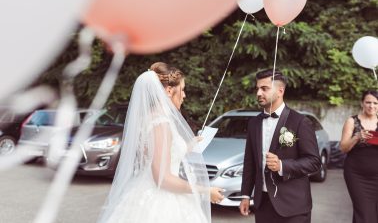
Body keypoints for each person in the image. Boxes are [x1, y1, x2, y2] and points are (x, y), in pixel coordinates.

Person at [96, 62, 224, 223]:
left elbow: (155, 158)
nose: (184, 95)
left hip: (142, 190)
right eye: (182, 89)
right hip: (162, 202)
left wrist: (187, 146)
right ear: (169, 90)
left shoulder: (149, 119)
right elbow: (163, 178)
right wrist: (205, 190)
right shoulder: (161, 123)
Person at [239, 68, 321, 223]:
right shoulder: (254, 123)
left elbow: (314, 162)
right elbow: (249, 162)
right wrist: (245, 195)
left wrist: (282, 165)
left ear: (280, 91)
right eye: (257, 89)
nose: (258, 93)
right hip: (262, 203)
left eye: (264, 88)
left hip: (293, 206)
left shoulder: (300, 122)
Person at [340, 90, 378, 223]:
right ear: (362, 103)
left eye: (375, 103)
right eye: (368, 102)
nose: (371, 106)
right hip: (356, 174)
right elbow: (343, 148)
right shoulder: (352, 121)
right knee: (364, 212)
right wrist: (357, 137)